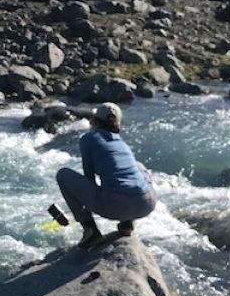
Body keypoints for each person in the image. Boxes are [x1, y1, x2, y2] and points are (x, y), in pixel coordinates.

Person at [56, 102, 156, 248]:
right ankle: (127, 223)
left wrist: (82, 211)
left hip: (114, 205)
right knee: (138, 166)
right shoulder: (122, 143)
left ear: (94, 120)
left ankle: (91, 231)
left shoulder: (88, 139)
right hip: (147, 204)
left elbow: (89, 178)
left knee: (63, 174)